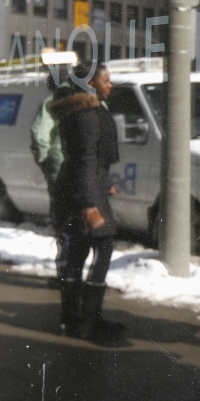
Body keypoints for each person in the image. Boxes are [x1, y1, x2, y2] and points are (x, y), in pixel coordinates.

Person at [47, 61, 123, 340]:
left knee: (80, 252)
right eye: (106, 80)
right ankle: (87, 319)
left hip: (85, 189)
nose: (110, 84)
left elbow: (89, 160)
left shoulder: (83, 111)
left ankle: (76, 319)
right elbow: (84, 160)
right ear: (91, 84)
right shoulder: (88, 115)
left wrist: (103, 185)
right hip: (84, 193)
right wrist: (89, 202)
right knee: (102, 246)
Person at [32, 57, 69, 289]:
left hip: (59, 170)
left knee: (62, 223)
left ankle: (64, 274)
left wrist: (46, 162)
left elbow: (39, 135)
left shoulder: (50, 103)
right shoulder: (84, 99)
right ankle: (72, 273)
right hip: (80, 170)